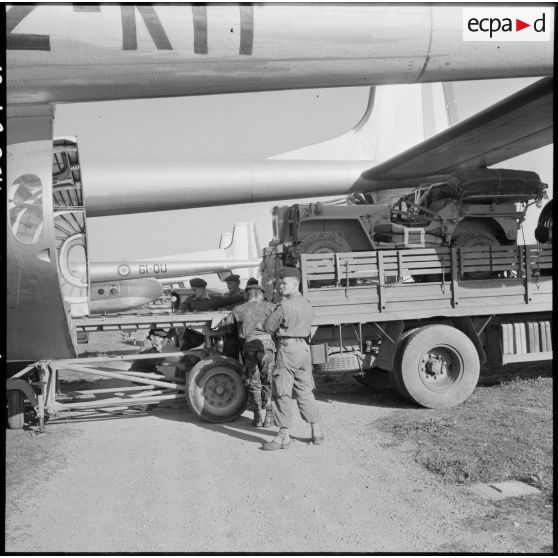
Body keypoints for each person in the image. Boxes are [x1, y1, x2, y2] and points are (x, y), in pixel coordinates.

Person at [262, 267, 323, 450]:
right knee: (305, 390)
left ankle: (283, 437)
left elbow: (268, 327)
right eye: (281, 283)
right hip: (304, 348)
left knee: (282, 391)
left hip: (288, 349)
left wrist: (278, 308)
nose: (281, 286)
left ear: (295, 285)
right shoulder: (307, 303)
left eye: (284, 283)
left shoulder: (284, 306)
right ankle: (316, 431)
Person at [230, 282, 276, 427]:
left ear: (247, 295)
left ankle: (257, 417)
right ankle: (269, 416)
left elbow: (231, 329)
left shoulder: (238, 309)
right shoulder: (271, 307)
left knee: (254, 383)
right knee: (268, 381)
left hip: (249, 347)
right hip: (267, 347)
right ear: (261, 294)